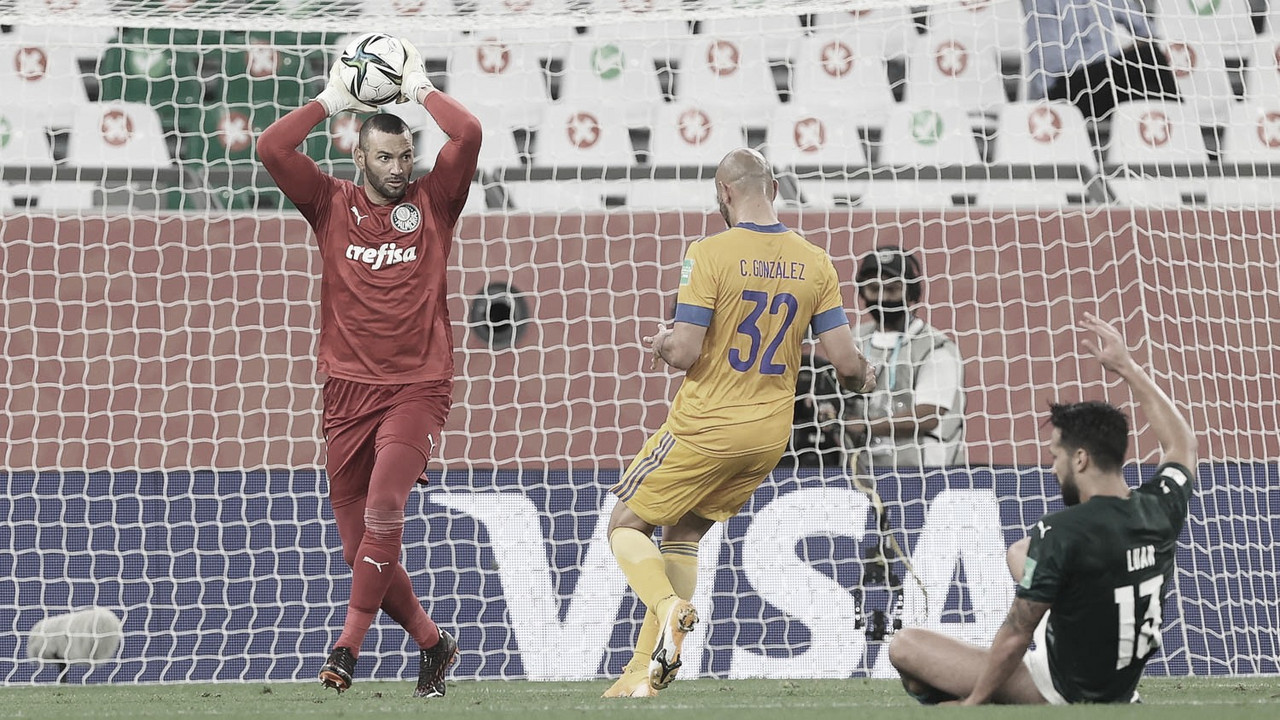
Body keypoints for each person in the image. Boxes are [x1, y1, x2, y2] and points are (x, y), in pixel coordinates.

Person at [602, 148, 877, 698]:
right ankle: (641, 674)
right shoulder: (815, 261)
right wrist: (868, 376)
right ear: (773, 188)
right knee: (683, 534)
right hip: (769, 437)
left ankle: (668, 605)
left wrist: (659, 343)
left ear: (724, 193)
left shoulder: (708, 253)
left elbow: (683, 352)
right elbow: (847, 366)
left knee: (625, 525)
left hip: (706, 425)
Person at [257, 38, 482, 698]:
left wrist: (419, 90)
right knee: (362, 551)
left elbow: (467, 132)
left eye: (404, 155)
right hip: (346, 395)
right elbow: (271, 149)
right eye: (385, 156)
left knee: (387, 504)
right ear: (359, 157)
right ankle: (434, 645)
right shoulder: (328, 204)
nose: (397, 166)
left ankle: (346, 647)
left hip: (418, 386)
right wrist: (330, 101)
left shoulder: (436, 201)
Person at [887, 313, 1198, 705]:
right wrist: (1127, 367)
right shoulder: (1160, 508)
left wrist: (974, 703)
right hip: (1116, 677)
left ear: (1081, 459)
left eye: (1056, 456)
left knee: (906, 647)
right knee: (1020, 553)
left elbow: (1018, 631)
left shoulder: (1062, 530)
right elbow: (1182, 446)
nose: (1052, 467)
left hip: (1064, 690)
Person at [845, 247, 965, 471]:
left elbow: (928, 416)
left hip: (926, 473)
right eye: (873, 289)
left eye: (892, 289)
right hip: (863, 471)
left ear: (910, 292)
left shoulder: (936, 347)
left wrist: (864, 427)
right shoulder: (855, 338)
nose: (882, 298)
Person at [1024, 0, 1179, 121]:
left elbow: (1147, 32)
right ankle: (1183, 120)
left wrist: (1117, 58)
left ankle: (1178, 132)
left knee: (1148, 89)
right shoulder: (1041, 2)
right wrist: (1111, 59)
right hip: (1062, 88)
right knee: (1147, 57)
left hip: (1102, 84)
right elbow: (1052, 63)